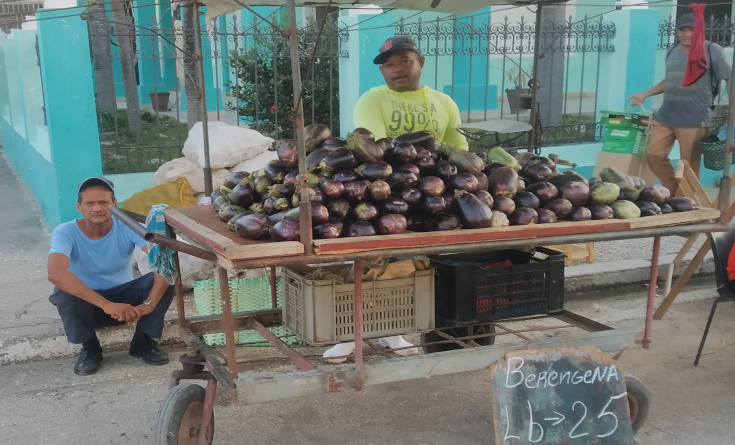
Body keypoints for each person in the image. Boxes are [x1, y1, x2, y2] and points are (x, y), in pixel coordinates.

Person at [47, 177, 175, 376]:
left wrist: (148, 304)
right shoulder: (66, 231)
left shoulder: (126, 226)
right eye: (90, 203)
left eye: (104, 202)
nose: (97, 208)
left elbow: (160, 259)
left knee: (166, 274)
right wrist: (106, 304)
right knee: (64, 291)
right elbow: (55, 273)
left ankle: (143, 341)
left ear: (115, 204)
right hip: (89, 306)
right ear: (79, 206)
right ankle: (90, 348)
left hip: (127, 305)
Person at [628, 13, 731, 194]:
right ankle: (676, 190)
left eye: (692, 29)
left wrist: (733, 112)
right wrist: (645, 94)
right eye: (683, 30)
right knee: (653, 153)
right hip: (666, 115)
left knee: (688, 165)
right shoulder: (672, 51)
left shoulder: (712, 50)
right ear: (677, 32)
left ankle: (686, 201)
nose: (687, 34)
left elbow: (729, 79)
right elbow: (671, 80)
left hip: (694, 118)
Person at [353, 35, 469, 150]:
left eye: (404, 61)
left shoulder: (445, 102)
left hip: (438, 168)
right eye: (389, 65)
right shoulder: (372, 100)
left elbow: (459, 149)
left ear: (421, 62)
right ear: (382, 71)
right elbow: (378, 152)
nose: (397, 69)